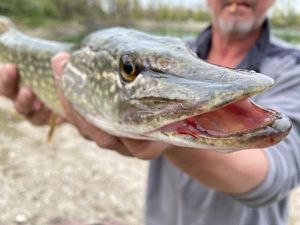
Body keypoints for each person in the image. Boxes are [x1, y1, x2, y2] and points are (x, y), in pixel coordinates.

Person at [1, 0, 300, 225]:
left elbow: (275, 176)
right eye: (129, 70)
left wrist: (165, 141)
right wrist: (56, 109)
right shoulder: (179, 48)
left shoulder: (293, 66)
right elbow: (88, 100)